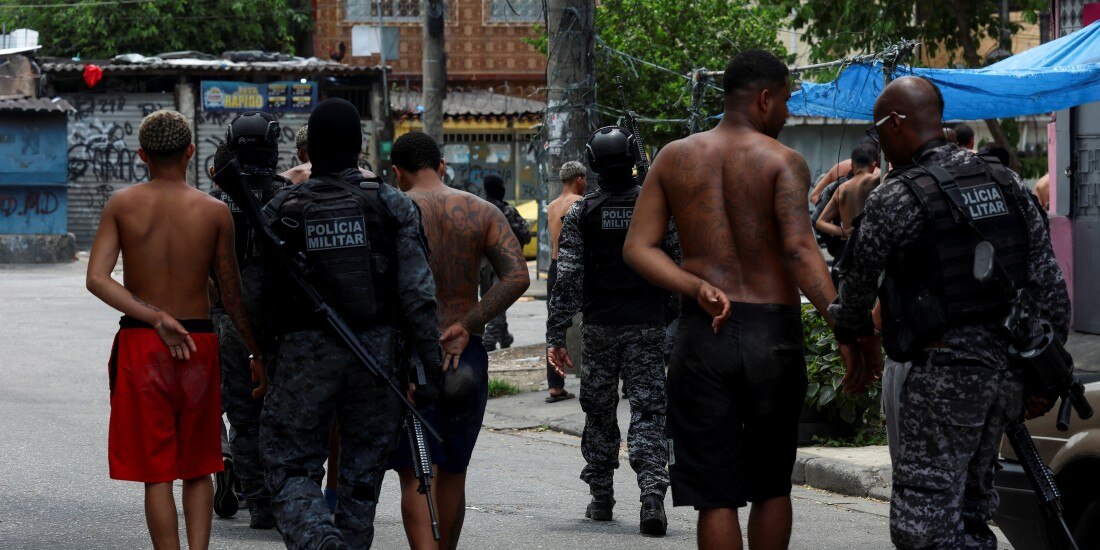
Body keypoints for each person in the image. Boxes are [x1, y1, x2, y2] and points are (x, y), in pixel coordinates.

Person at [622, 50, 874, 550]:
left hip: (703, 333)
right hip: (772, 337)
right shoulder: (784, 161)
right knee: (770, 485)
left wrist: (695, 285)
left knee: (716, 496)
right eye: (785, 101)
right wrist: (848, 329)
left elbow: (636, 248)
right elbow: (801, 252)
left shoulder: (674, 156)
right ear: (764, 98)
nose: (786, 113)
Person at [830, 76, 1069, 549]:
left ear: (896, 122)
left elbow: (855, 289)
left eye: (878, 134)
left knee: (922, 526)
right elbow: (1050, 286)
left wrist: (856, 340)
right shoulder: (1007, 184)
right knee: (972, 513)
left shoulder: (898, 195)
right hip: (1005, 379)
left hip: (943, 380)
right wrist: (1043, 377)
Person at [256, 99, 442, 550]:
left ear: (310, 149)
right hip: (378, 357)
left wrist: (265, 355)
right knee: (362, 477)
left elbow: (257, 295)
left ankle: (318, 539)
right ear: (359, 146)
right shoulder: (392, 203)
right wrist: (430, 368)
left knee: (288, 466)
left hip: (304, 356)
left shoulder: (283, 208)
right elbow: (418, 293)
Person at [86, 110, 267, 550]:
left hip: (141, 344)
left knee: (157, 473)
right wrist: (257, 353)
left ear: (141, 155)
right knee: (198, 466)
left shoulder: (122, 204)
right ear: (190, 152)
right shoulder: (214, 211)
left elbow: (97, 277)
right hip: (198, 344)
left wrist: (154, 317)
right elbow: (232, 293)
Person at [389, 131, 529, 550]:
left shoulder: (393, 209)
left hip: (408, 355)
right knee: (453, 471)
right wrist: (466, 325)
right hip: (464, 357)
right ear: (442, 165)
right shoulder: (481, 210)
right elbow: (517, 276)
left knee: (416, 472)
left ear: (398, 172)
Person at [545, 126, 679, 537]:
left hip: (600, 328)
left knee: (600, 412)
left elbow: (566, 278)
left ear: (594, 163)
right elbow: (676, 262)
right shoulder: (655, 207)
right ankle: (651, 496)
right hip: (647, 326)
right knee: (649, 412)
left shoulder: (581, 212)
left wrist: (556, 333)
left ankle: (601, 497)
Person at [207, 112, 291, 529]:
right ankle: (285, 497)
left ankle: (257, 502)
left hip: (228, 323)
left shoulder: (214, 201)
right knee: (287, 413)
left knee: (243, 416)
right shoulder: (290, 196)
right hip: (284, 325)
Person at [543, 160, 587, 403]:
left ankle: (555, 386)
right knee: (593, 319)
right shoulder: (581, 203)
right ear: (579, 179)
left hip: (555, 265)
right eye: (585, 179)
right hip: (577, 267)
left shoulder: (551, 206)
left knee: (554, 324)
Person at [479, 173, 532, 351]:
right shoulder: (507, 211)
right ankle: (489, 340)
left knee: (494, 302)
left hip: (482, 267)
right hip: (501, 265)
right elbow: (526, 233)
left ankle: (504, 337)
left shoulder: (477, 209)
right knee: (497, 304)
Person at [814, 144, 880, 245]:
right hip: (870, 246)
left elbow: (819, 222)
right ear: (873, 166)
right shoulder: (878, 181)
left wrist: (844, 231)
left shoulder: (842, 189)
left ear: (852, 166)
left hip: (847, 247)